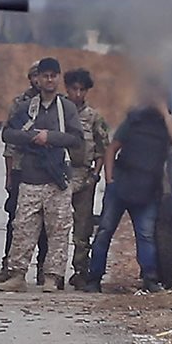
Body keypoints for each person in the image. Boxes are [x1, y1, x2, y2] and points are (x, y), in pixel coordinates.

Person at [81, 76, 172, 293]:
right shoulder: (134, 120)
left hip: (147, 188)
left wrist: (164, 113)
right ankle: (93, 279)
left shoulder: (167, 124)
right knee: (104, 232)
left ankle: (150, 278)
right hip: (122, 183)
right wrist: (110, 180)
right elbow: (112, 149)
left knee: (145, 235)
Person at [0, 57, 82, 293]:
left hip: (57, 179)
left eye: (53, 75)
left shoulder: (67, 109)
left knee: (58, 230)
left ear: (58, 78)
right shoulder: (27, 107)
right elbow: (8, 134)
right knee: (23, 227)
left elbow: (77, 139)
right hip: (31, 176)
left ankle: (52, 277)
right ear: (38, 78)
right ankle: (17, 275)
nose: (49, 79)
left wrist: (50, 137)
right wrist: (32, 137)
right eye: (45, 75)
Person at [63, 68, 111, 289]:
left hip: (84, 174)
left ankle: (80, 270)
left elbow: (103, 148)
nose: (78, 94)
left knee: (82, 228)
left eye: (82, 90)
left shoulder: (94, 117)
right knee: (54, 226)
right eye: (74, 89)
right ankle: (51, 270)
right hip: (60, 175)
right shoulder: (59, 111)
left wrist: (95, 174)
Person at [2, 61, 43, 272]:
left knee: (46, 223)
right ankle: (8, 266)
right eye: (35, 76)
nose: (39, 80)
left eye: (41, 75)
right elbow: (9, 142)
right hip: (20, 167)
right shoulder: (20, 103)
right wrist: (9, 176)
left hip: (47, 170)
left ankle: (43, 269)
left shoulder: (58, 104)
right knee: (15, 220)